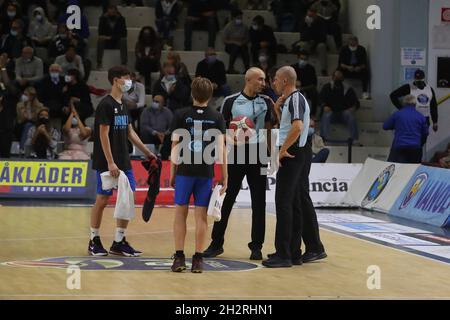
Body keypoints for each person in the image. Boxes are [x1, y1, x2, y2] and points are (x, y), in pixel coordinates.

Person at [203, 67, 273, 261]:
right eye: (259, 79)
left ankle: (256, 246)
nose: (263, 83)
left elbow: (268, 129)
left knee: (259, 202)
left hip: (258, 155)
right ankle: (216, 243)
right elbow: (222, 130)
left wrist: (271, 155)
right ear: (248, 80)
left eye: (264, 79)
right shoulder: (230, 101)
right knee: (227, 199)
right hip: (235, 155)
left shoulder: (267, 101)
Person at [89, 65, 156, 257]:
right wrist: (110, 162)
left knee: (128, 198)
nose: (129, 82)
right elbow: (103, 134)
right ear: (115, 80)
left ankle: (118, 241)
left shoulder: (123, 105)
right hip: (106, 162)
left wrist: (147, 153)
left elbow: (130, 132)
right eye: (126, 78)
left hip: (124, 161)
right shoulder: (106, 105)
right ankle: (94, 239)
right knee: (102, 199)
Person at [263, 66, 325, 268]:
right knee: (295, 202)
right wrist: (278, 111)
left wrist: (282, 151)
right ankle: (293, 251)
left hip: (293, 153)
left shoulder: (296, 98)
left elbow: (298, 128)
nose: (273, 83)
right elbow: (289, 126)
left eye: (275, 79)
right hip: (296, 152)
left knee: (283, 202)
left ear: (284, 81)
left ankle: (284, 254)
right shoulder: (290, 101)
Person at [170, 77, 227, 273]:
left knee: (180, 214)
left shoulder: (181, 114)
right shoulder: (217, 117)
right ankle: (198, 259)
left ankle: (179, 257)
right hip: (205, 172)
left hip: (185, 171)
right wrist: (224, 176)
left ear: (192, 93)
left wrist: (172, 172)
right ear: (210, 95)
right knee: (201, 216)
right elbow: (222, 149)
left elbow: (175, 146)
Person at [383, 95, 429, 164]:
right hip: (415, 148)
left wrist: (396, 125)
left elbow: (385, 126)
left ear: (403, 104)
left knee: (396, 169)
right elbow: (425, 133)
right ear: (415, 104)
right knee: (413, 170)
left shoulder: (397, 114)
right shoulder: (421, 116)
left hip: (399, 147)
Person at [319, 69, 360, 144]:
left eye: (339, 77)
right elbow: (320, 99)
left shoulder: (347, 89)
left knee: (350, 116)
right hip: (330, 112)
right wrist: (324, 106)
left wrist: (353, 107)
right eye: (336, 77)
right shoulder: (327, 87)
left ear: (342, 78)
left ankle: (354, 139)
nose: (337, 78)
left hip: (343, 113)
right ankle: (324, 139)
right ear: (333, 77)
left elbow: (356, 102)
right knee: (326, 115)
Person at [140, 95, 173, 159]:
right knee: (144, 133)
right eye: (154, 101)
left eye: (157, 102)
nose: (154, 103)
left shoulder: (168, 112)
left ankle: (164, 157)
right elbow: (144, 125)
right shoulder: (146, 111)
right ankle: (149, 156)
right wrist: (155, 133)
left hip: (164, 135)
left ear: (163, 103)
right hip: (151, 134)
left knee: (171, 136)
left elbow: (172, 126)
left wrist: (165, 133)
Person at [296, 8, 328, 76]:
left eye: (311, 16)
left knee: (322, 46)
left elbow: (323, 36)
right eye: (308, 15)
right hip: (308, 42)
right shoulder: (304, 22)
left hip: (318, 42)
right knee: (303, 45)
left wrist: (314, 41)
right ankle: (301, 67)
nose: (309, 17)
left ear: (315, 15)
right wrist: (309, 26)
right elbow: (303, 37)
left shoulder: (321, 22)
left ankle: (323, 69)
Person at [291, 49, 318, 117]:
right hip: (294, 88)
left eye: (305, 59)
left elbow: (314, 84)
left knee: (314, 93)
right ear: (298, 58)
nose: (303, 61)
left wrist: (302, 88)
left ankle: (312, 115)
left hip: (306, 88)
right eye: (301, 58)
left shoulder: (311, 68)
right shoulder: (293, 67)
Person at [16, 86, 44, 151]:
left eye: (26, 95)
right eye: (24, 94)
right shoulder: (19, 105)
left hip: (35, 125)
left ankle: (23, 148)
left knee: (29, 125)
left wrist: (29, 106)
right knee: (28, 125)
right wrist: (25, 107)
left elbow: (37, 119)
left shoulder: (40, 105)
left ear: (32, 96)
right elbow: (20, 119)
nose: (24, 96)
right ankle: (23, 148)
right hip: (21, 125)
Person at [135, 26, 162, 94]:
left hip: (153, 65)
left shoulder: (157, 45)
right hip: (141, 64)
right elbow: (138, 56)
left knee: (147, 63)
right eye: (145, 34)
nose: (146, 36)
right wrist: (148, 57)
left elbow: (157, 57)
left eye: (148, 34)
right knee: (146, 63)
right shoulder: (139, 44)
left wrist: (146, 58)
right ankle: (147, 86)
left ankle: (146, 86)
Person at [223, 9, 250, 74]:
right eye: (238, 18)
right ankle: (230, 68)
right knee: (235, 47)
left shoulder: (245, 27)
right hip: (231, 46)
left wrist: (242, 42)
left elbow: (247, 38)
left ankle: (247, 68)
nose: (240, 19)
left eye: (241, 18)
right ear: (233, 18)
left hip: (242, 45)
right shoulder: (228, 27)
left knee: (244, 49)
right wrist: (235, 42)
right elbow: (225, 40)